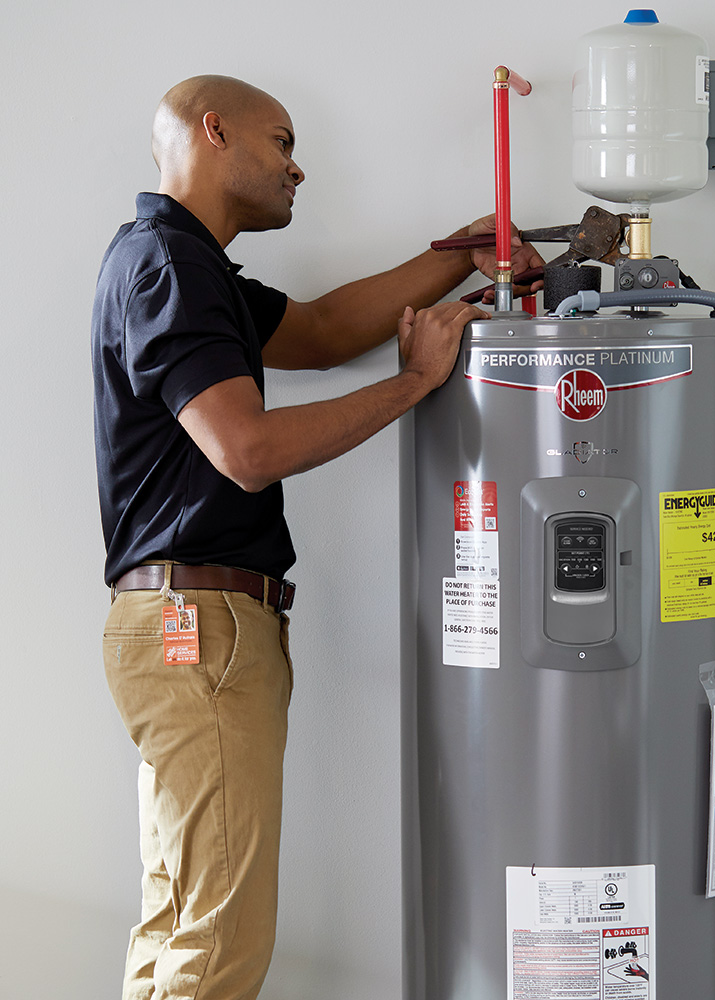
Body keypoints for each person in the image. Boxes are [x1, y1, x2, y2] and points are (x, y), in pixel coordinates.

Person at [92, 74, 543, 1000]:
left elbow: (327, 329)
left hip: (184, 628)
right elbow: (247, 451)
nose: (298, 168)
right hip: (200, 630)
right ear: (214, 131)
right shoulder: (170, 267)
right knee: (217, 946)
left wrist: (465, 253)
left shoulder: (182, 267)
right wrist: (415, 383)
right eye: (283, 142)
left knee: (180, 926)